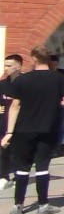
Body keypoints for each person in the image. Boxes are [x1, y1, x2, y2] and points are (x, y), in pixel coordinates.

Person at [2, 46, 64, 214]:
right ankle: (43, 204)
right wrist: (55, 103)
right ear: (49, 59)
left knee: (22, 167)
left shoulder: (23, 80)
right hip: (48, 129)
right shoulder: (59, 78)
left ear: (34, 58)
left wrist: (9, 132)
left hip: (23, 129)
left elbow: (15, 107)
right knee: (42, 166)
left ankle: (18, 205)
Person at [0, 54, 24, 190]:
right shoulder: (2, 84)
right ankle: (3, 176)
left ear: (18, 67)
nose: (6, 68)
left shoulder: (26, 83)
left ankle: (18, 176)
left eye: (9, 66)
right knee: (3, 150)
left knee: (18, 151)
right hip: (4, 122)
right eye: (5, 65)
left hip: (22, 123)